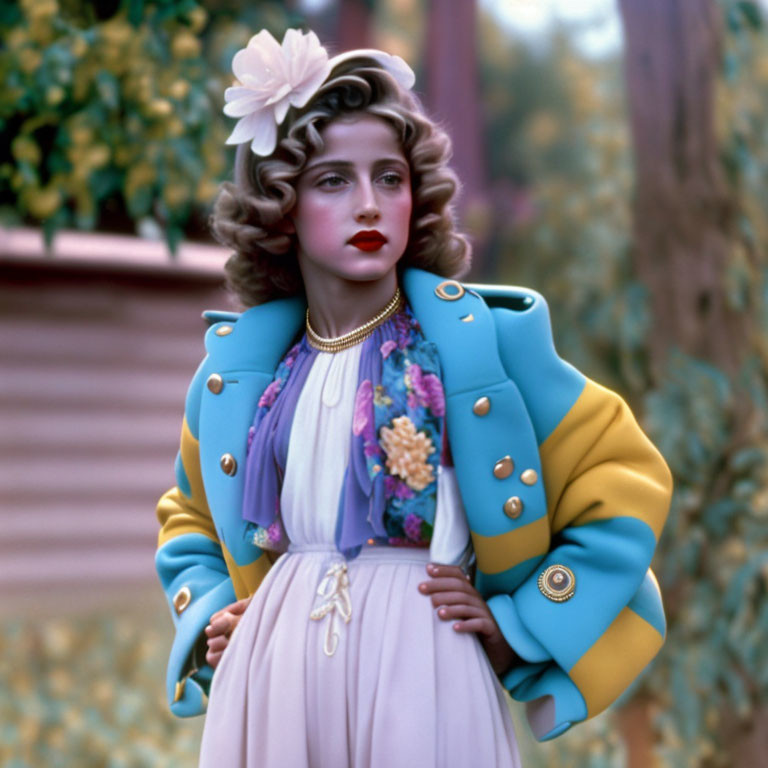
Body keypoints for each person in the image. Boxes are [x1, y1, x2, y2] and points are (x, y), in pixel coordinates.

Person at [155, 28, 673, 767]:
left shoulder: (482, 346)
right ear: (282, 206)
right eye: (334, 180)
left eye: (389, 178)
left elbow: (622, 478)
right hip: (269, 678)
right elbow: (188, 517)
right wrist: (213, 612)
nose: (369, 203)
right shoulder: (241, 371)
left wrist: (522, 624)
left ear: (416, 193)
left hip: (425, 667)